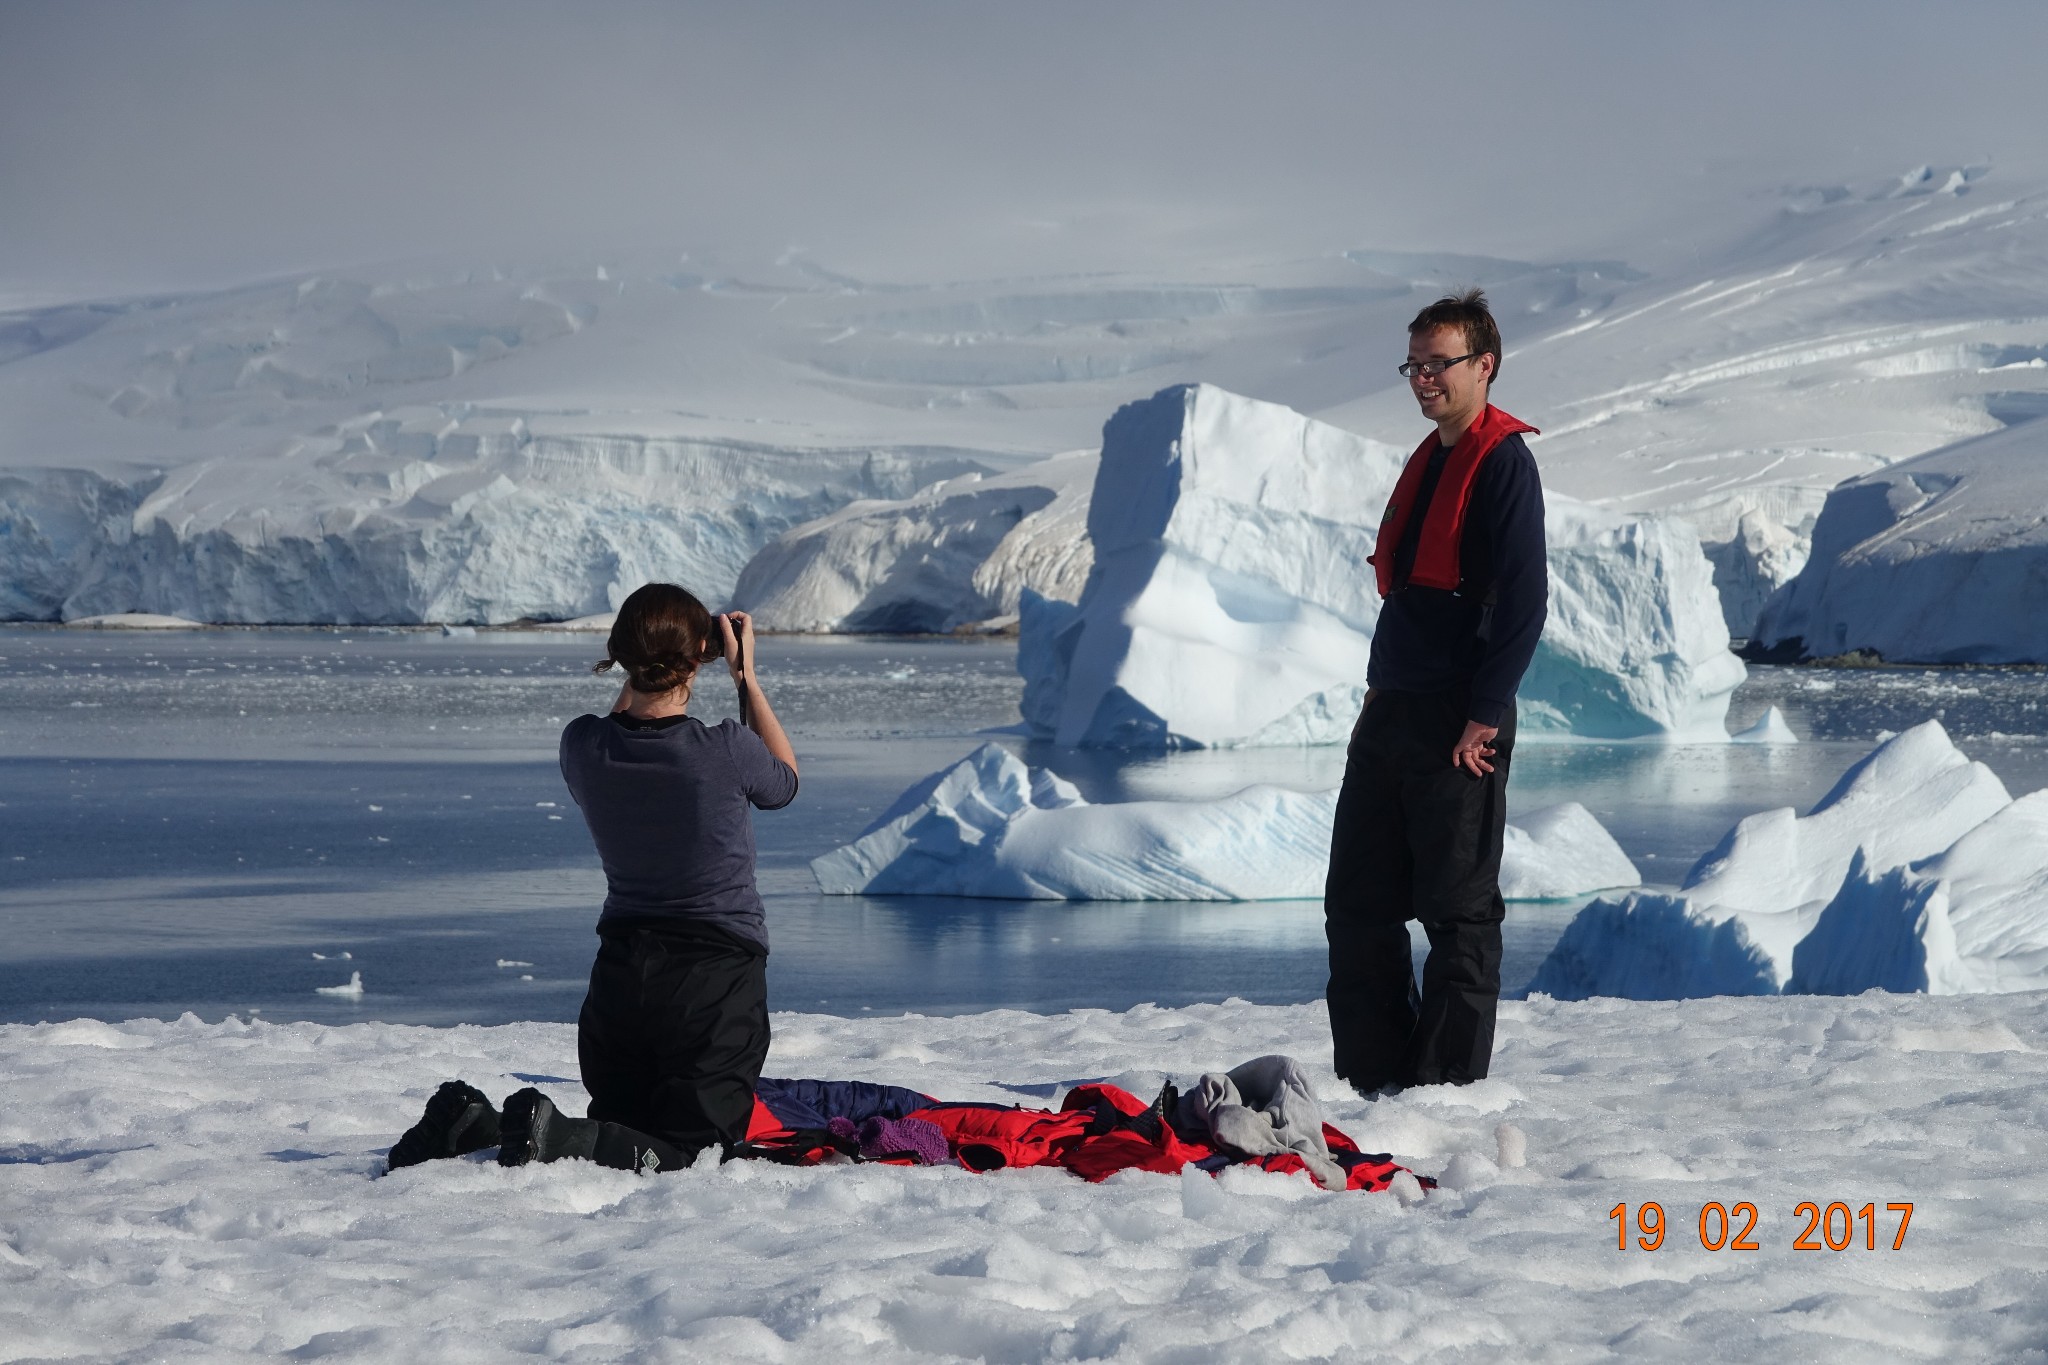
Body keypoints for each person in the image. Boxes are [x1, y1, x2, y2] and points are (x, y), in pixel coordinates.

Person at [388, 583, 799, 1174]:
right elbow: (782, 782)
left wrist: (661, 658)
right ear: (696, 657)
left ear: (622, 656)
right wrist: (745, 680)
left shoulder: (582, 745)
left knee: (622, 1130)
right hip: (713, 980)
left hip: (621, 980)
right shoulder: (727, 749)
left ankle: (473, 1126)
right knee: (695, 1152)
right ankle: (548, 1140)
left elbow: (624, 718)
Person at [1324, 289, 1547, 1096]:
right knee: (1357, 899)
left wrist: (1482, 715)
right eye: (1413, 365)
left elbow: (1524, 603)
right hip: (1394, 709)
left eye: (1438, 363)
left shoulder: (1505, 465)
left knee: (1456, 908)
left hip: (1460, 719)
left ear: (1483, 366)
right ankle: (1375, 1075)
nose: (1423, 379)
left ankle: (1446, 1084)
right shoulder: (1435, 458)